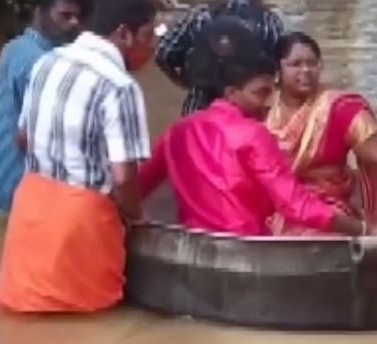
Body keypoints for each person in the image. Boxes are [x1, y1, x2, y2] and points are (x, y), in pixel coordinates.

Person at [138, 18, 368, 237]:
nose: (269, 102)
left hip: (195, 240)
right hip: (248, 246)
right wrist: (362, 229)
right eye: (261, 93)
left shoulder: (176, 131)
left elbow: (137, 185)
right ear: (230, 93)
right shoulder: (253, 133)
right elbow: (297, 206)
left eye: (270, 92)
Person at [0, 0, 156, 313]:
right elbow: (123, 177)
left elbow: (22, 137)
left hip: (30, 217)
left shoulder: (46, 62)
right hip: (80, 229)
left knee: (27, 331)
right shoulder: (120, 86)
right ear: (124, 34)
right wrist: (137, 218)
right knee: (89, 328)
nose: (152, 47)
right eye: (149, 36)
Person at [266, 32, 377, 235]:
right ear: (277, 70)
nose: (306, 70)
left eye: (312, 63)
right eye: (296, 64)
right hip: (275, 203)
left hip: (329, 206)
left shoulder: (342, 107)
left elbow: (374, 158)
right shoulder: (261, 107)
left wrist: (370, 216)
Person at [0, 0, 89, 214]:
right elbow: (33, 135)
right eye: (65, 15)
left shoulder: (13, 47)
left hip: (2, 177)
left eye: (77, 17)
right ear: (41, 11)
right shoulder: (43, 62)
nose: (74, 23)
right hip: (24, 186)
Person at [155, 0, 284, 116]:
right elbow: (281, 68)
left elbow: (163, 53)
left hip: (199, 108)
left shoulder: (200, 15)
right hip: (248, 112)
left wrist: (183, 81)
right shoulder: (269, 22)